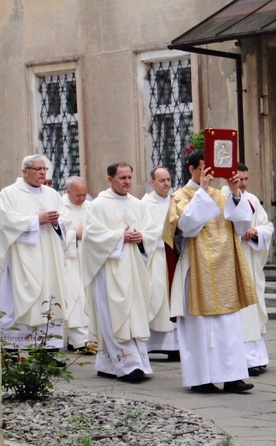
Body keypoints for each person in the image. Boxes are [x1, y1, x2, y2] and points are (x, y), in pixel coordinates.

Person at [163, 150, 258, 394]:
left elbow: (242, 225)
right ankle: (200, 378)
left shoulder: (222, 194)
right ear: (192, 169)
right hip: (196, 267)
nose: (210, 174)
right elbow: (185, 226)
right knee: (200, 326)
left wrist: (235, 192)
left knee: (228, 325)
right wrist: (202, 192)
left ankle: (233, 376)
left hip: (225, 264)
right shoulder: (179, 196)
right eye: (205, 168)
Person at [81, 162, 162, 383]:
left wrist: (141, 237)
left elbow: (152, 231)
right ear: (110, 179)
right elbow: (91, 237)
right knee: (114, 315)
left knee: (134, 313)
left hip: (134, 269)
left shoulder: (138, 205)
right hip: (108, 270)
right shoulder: (97, 205)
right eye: (122, 178)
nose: (127, 182)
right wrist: (119, 237)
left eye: (129, 177)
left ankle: (110, 364)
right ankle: (128, 365)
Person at [0, 155, 68, 350]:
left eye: (44, 169)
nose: (42, 173)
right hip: (22, 258)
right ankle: (14, 347)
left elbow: (66, 221)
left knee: (50, 292)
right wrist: (36, 220)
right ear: (24, 172)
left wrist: (57, 222)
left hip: (49, 255)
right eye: (37, 169)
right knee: (19, 297)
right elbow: (5, 223)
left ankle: (48, 347)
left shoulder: (52, 194)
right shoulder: (9, 194)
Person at [223, 162, 274, 377]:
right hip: (231, 263)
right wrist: (238, 234)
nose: (243, 184)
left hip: (250, 263)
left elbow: (267, 226)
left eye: (245, 179)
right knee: (239, 313)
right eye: (239, 179)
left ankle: (256, 357)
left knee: (252, 311)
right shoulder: (220, 198)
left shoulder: (252, 200)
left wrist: (255, 233)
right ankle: (241, 358)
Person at [141, 166, 179, 361]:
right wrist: (165, 232)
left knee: (174, 298)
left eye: (168, 179)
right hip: (155, 258)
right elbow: (143, 233)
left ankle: (174, 346)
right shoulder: (144, 205)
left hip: (174, 257)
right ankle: (152, 344)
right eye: (162, 180)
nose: (166, 184)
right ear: (152, 182)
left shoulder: (176, 201)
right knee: (156, 296)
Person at [61, 176, 96, 354]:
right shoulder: (61, 207)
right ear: (68, 192)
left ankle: (84, 338)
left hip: (87, 259)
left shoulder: (90, 207)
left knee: (86, 297)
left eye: (84, 194)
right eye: (78, 195)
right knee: (73, 297)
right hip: (70, 261)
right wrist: (75, 235)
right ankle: (78, 340)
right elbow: (56, 235)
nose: (82, 199)